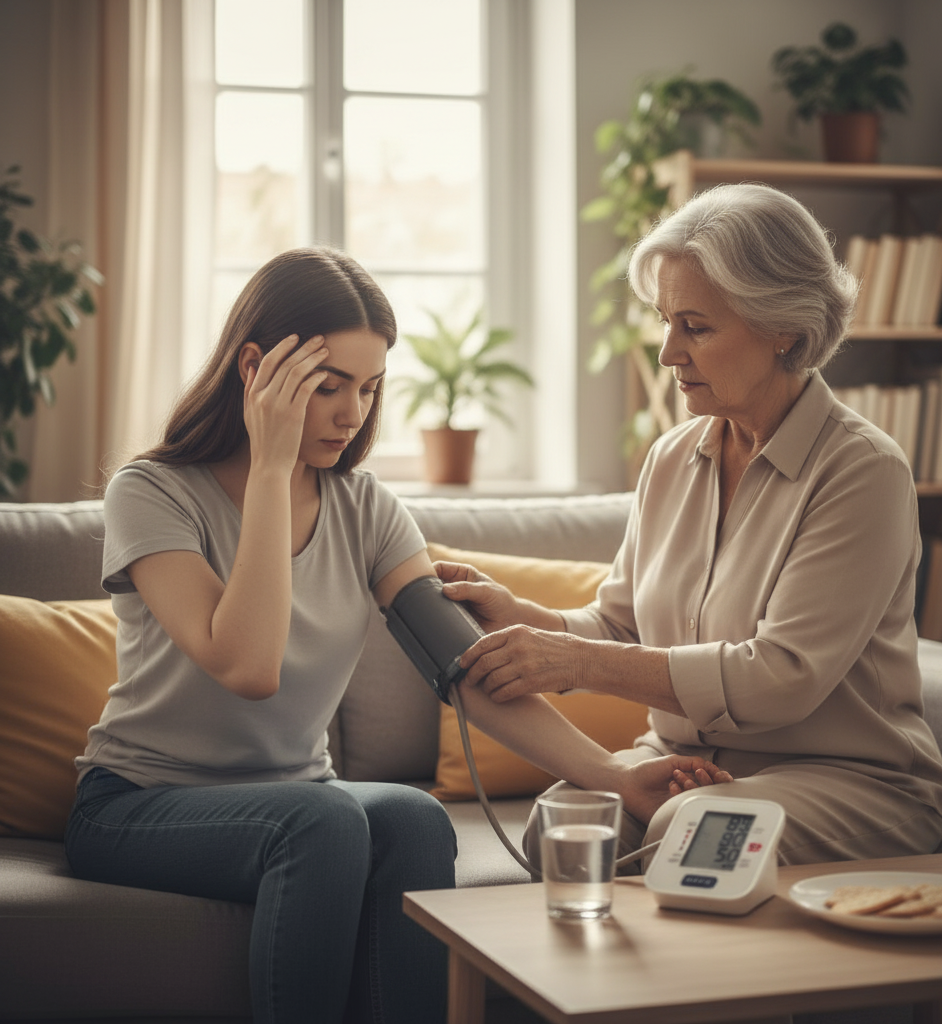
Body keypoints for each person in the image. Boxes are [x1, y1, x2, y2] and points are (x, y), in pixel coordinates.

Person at [65, 246, 730, 1024]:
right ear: (257, 371)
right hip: (139, 806)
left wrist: (614, 775)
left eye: (370, 387)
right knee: (324, 819)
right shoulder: (150, 493)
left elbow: (468, 668)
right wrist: (274, 471)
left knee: (411, 817)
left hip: (294, 799)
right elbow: (246, 664)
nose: (353, 415)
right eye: (328, 387)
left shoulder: (365, 507)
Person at [438, 183, 942, 870]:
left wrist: (575, 662)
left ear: (783, 329)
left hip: (848, 778)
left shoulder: (864, 472)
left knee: (693, 829)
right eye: (665, 321)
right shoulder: (674, 457)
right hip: (684, 759)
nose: (667, 353)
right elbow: (621, 626)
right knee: (563, 823)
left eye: (695, 328)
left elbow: (782, 677)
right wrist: (526, 619)